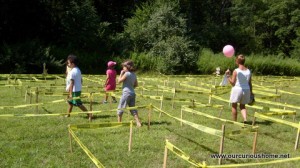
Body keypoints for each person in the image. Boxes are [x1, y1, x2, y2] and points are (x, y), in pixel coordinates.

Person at [225, 55, 253, 123]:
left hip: (237, 89)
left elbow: (233, 83)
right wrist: (251, 92)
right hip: (246, 90)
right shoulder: (248, 71)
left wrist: (228, 76)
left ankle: (234, 122)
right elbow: (250, 83)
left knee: (234, 105)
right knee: (242, 106)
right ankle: (245, 119)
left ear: (237, 61)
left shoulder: (236, 71)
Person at [65, 54, 92, 121]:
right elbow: (81, 80)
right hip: (76, 89)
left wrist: (70, 93)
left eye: (68, 63)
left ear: (73, 63)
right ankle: (68, 114)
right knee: (70, 102)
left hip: (74, 90)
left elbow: (72, 83)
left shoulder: (73, 72)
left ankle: (89, 114)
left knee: (78, 103)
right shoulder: (77, 69)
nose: (68, 64)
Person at [117, 60, 141, 127]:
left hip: (126, 93)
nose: (123, 68)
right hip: (133, 93)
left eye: (124, 67)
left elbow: (119, 81)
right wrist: (130, 86)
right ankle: (138, 123)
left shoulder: (126, 74)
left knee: (121, 108)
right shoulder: (134, 74)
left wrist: (121, 74)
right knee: (133, 109)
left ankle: (119, 124)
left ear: (127, 67)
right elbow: (136, 85)